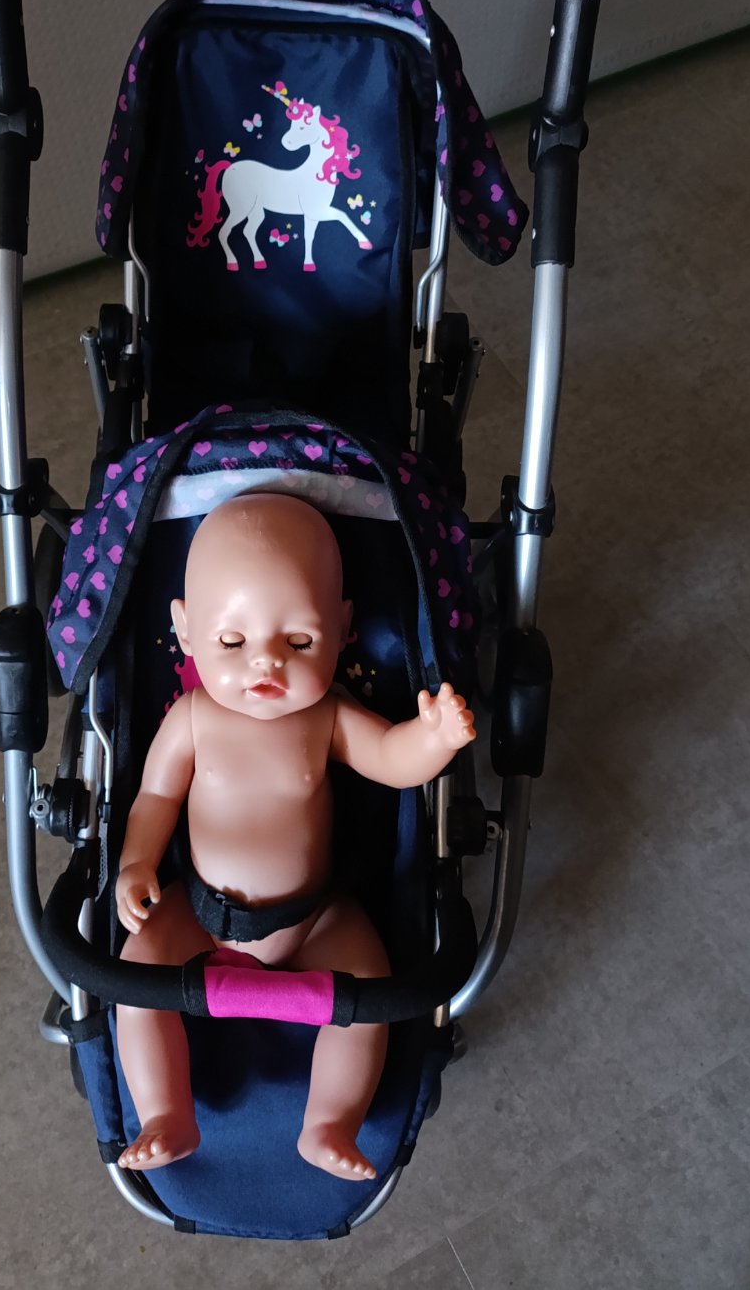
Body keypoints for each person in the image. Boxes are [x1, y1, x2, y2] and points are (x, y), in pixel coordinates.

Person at [114, 492, 475, 1181]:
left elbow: (391, 759)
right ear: (185, 630)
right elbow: (155, 797)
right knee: (137, 976)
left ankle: (329, 1121)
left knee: (368, 986)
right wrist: (137, 862)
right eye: (232, 642)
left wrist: (432, 739)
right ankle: (165, 1111)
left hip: (314, 919)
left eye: (299, 642)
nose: (266, 665)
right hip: (200, 910)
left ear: (341, 630)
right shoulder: (191, 717)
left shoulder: (328, 715)